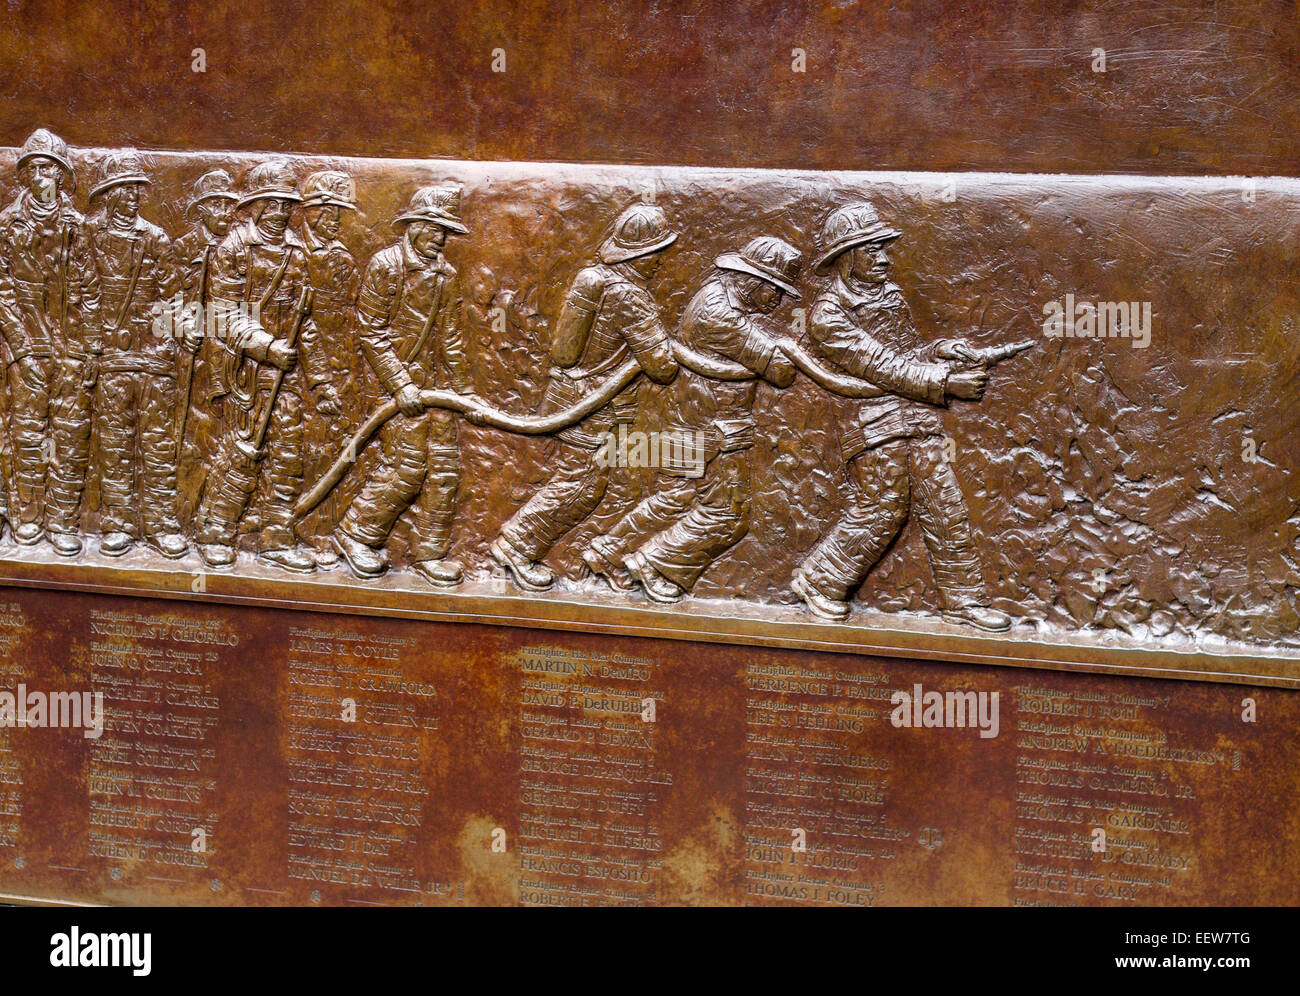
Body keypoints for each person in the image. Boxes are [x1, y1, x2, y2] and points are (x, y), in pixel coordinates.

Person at [791, 202, 1011, 632]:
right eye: (873, 250)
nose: (885, 258)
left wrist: (943, 350)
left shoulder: (889, 297)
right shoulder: (828, 315)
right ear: (847, 255)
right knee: (881, 508)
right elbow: (877, 365)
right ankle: (820, 582)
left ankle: (964, 601)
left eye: (884, 249)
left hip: (915, 417)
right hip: (872, 424)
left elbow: (904, 356)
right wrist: (946, 384)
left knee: (945, 506)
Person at [584, 236, 802, 603]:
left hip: (689, 415)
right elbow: (781, 371)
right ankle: (654, 564)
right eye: (776, 290)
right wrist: (784, 348)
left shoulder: (713, 293)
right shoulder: (722, 315)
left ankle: (606, 552)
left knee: (677, 495)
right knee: (727, 515)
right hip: (713, 427)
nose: (778, 301)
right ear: (755, 281)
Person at [490, 202, 679, 591]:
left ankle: (603, 559)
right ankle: (516, 545)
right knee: (581, 483)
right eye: (656, 252)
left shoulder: (594, 278)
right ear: (638, 254)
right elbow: (662, 366)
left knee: (608, 483)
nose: (661, 261)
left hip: (572, 397)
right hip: (594, 407)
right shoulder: (630, 296)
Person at [330, 185, 479, 587]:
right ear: (414, 226)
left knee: (445, 471)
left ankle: (431, 552)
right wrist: (400, 385)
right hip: (393, 387)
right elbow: (371, 332)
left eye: (445, 233)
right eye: (434, 230)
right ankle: (356, 533)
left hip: (436, 391)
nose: (440, 239)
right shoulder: (386, 265)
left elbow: (450, 338)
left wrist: (464, 393)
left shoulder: (446, 275)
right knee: (407, 468)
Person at [192, 159, 336, 573]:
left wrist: (321, 381)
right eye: (270, 202)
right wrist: (267, 347)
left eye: (285, 204)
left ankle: (276, 539)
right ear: (254, 205)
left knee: (288, 458)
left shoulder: (296, 252)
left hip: (284, 374)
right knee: (241, 453)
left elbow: (303, 323)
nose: (278, 211)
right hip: (242, 373)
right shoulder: (233, 248)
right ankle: (215, 532)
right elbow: (222, 313)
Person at [86, 151, 191, 558]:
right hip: (112, 357)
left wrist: (168, 342)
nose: (132, 197)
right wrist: (96, 345)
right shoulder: (90, 236)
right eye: (124, 189)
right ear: (109, 195)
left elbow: (174, 297)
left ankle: (163, 523)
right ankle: (119, 524)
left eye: (137, 189)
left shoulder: (156, 238)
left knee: (158, 444)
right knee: (114, 445)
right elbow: (82, 295)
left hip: (153, 359)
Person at [0, 128, 100, 555]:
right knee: (27, 435)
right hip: (27, 350)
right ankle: (28, 516)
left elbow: (90, 289)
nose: (39, 177)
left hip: (72, 351)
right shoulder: (7, 224)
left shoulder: (78, 227)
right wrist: (21, 347)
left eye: (48, 170)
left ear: (61, 176)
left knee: (71, 434)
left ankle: (62, 520)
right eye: (33, 170)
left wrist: (89, 348)